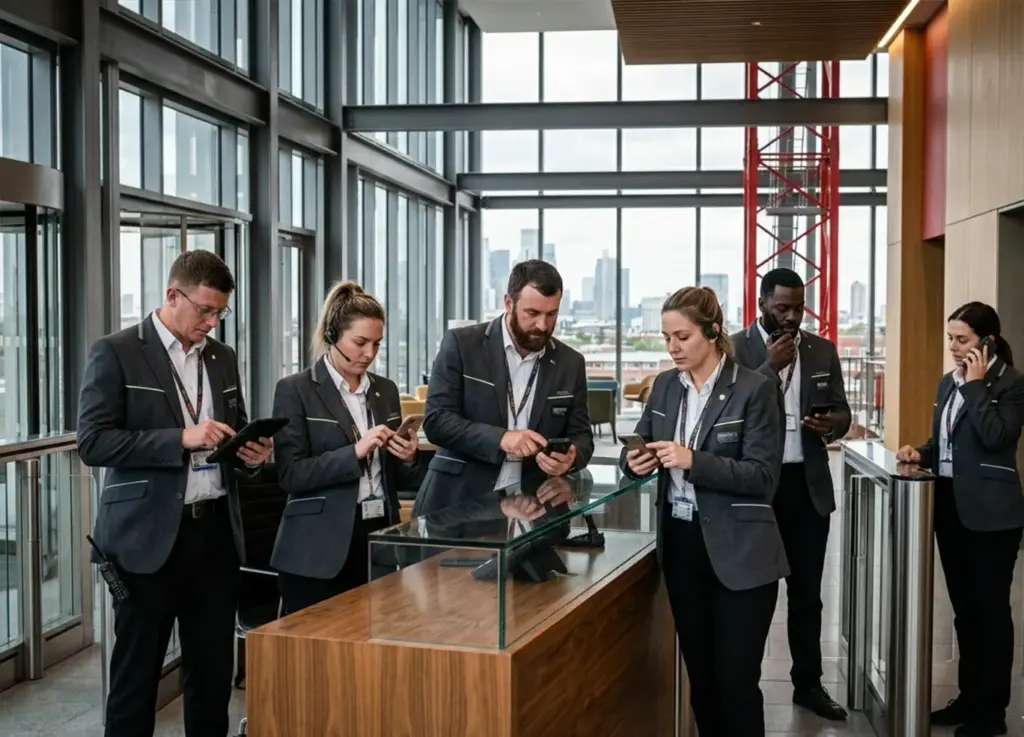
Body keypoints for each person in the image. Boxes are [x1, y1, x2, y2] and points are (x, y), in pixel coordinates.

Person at [77, 250, 274, 737]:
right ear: (172, 295)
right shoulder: (117, 351)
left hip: (214, 538)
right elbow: (93, 441)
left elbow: (234, 424)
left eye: (219, 313)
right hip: (146, 542)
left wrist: (250, 452)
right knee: (136, 679)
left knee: (211, 679)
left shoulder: (222, 357)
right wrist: (180, 439)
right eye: (204, 311)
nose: (211, 323)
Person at [621, 285, 788, 737]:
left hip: (741, 552)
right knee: (703, 681)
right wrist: (634, 462)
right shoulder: (663, 388)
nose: (673, 348)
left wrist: (694, 460)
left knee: (736, 683)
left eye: (683, 337)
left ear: (713, 332)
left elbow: (762, 477)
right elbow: (641, 444)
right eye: (666, 338)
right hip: (683, 546)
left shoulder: (754, 388)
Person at [896, 302, 1024, 737]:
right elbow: (946, 442)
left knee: (990, 614)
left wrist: (975, 384)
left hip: (993, 514)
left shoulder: (1010, 383)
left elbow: (995, 437)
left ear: (986, 342)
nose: (953, 347)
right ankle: (969, 698)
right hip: (949, 507)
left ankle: (991, 714)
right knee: (965, 614)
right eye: (950, 338)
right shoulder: (946, 383)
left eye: (963, 339)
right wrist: (921, 451)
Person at [730, 267, 851, 721]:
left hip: (806, 486)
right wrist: (770, 367)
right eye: (782, 307)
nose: (792, 317)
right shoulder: (736, 349)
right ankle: (745, 687)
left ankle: (809, 685)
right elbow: (728, 405)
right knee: (753, 595)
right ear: (762, 303)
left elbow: (843, 410)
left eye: (799, 307)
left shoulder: (821, 350)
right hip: (756, 488)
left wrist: (831, 424)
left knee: (807, 595)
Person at [270, 281, 420, 614]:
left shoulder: (386, 391)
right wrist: (354, 451)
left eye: (377, 345)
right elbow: (290, 474)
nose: (369, 354)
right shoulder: (295, 390)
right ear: (332, 336)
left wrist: (407, 457)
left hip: (377, 536)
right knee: (316, 658)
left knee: (368, 655)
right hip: (317, 548)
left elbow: (396, 476)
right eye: (360, 343)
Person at [414, 260, 594, 514]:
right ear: (508, 303)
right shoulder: (462, 345)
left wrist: (571, 458)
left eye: (551, 314)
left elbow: (583, 436)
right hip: (459, 504)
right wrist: (501, 439)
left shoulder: (570, 362)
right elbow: (436, 421)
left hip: (535, 507)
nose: (543, 325)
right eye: (532, 313)